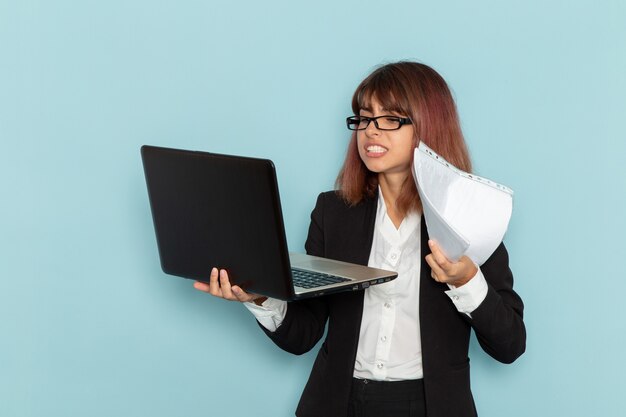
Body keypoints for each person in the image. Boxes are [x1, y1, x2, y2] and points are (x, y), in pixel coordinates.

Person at [193, 61, 526, 417]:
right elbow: (303, 334)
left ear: (430, 125)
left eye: (391, 119)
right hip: (337, 402)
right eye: (365, 118)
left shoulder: (468, 219)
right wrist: (257, 296)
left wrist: (467, 281)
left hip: (430, 406)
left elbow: (509, 345)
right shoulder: (332, 212)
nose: (371, 131)